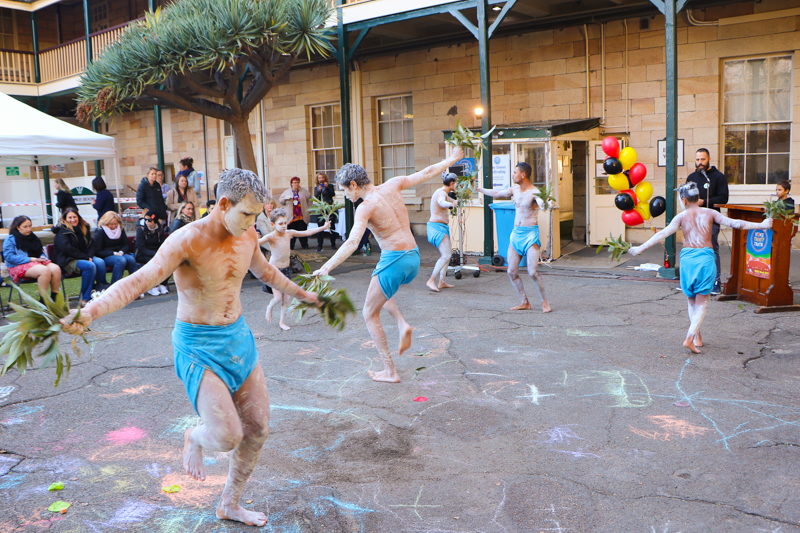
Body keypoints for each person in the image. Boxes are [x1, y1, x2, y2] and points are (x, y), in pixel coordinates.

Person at [61, 168, 319, 528]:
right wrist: (89, 311)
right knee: (228, 435)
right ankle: (194, 436)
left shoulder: (246, 235)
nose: (251, 224)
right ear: (223, 203)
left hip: (238, 340)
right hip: (199, 347)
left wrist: (305, 294)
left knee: (258, 428)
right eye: (246, 214)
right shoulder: (186, 240)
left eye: (256, 216)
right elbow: (138, 281)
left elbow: (266, 273)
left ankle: (229, 503)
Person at [314, 147, 464, 383]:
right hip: (412, 258)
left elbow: (353, 241)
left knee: (368, 312)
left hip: (394, 259)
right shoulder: (393, 184)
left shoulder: (365, 206)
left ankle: (390, 371)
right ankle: (402, 323)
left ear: (353, 184)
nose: (346, 195)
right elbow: (427, 172)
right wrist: (453, 159)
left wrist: (326, 267)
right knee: (379, 288)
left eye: (345, 190)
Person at [629, 183, 772, 354]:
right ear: (697, 198)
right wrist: (761, 225)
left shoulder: (681, 217)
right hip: (705, 259)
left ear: (684, 200)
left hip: (688, 260)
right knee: (702, 302)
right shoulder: (710, 212)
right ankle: (690, 338)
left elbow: (662, 234)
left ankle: (696, 336)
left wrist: (639, 248)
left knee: (691, 300)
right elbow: (735, 224)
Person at [477, 162, 552, 313]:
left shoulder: (535, 192)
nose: (513, 175)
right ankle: (524, 302)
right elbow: (498, 194)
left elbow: (544, 205)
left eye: (515, 172)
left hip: (530, 235)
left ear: (523, 174)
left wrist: (545, 202)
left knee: (532, 272)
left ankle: (544, 302)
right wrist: (479, 189)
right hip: (516, 235)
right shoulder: (515, 190)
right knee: (511, 271)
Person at [260, 208, 329, 331]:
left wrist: (323, 228)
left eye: (285, 223)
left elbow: (306, 233)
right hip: (274, 270)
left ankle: (282, 321)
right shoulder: (271, 236)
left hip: (286, 269)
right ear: (273, 224)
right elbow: (257, 242)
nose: (283, 226)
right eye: (280, 224)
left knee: (286, 298)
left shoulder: (289, 233)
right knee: (278, 298)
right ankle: (269, 307)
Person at [686, 148, 729, 295]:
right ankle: (695, 281)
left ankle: (716, 281)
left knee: (710, 250)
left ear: (709, 159)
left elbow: (723, 198)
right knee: (694, 250)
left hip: (710, 220)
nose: (700, 163)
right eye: (697, 160)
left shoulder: (717, 177)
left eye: (703, 159)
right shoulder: (691, 177)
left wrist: (704, 202)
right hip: (693, 220)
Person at [51, 208, 107, 307]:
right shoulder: (62, 232)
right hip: (67, 259)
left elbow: (91, 245)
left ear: (78, 217)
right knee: (89, 266)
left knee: (100, 262)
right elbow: (67, 249)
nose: (72, 219)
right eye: (70, 217)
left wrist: (89, 256)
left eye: (74, 217)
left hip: (83, 256)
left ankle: (100, 292)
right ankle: (84, 298)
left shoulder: (84, 228)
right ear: (64, 219)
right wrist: (86, 258)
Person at [3, 215, 61, 301]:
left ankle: (54, 298)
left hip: (35, 263)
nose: (29, 229)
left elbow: (39, 252)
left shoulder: (33, 237)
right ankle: (43, 302)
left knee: (56, 268)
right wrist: (30, 259)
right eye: (25, 227)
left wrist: (42, 257)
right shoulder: (10, 239)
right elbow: (9, 257)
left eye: (30, 226)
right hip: (18, 265)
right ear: (18, 227)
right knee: (44, 270)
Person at [426, 173, 458, 292]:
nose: (457, 186)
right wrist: (451, 204)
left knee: (447, 255)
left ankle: (442, 281)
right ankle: (431, 280)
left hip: (441, 227)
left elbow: (454, 201)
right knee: (446, 255)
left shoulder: (444, 193)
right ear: (451, 183)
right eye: (456, 183)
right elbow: (441, 202)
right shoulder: (441, 193)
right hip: (436, 228)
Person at [94, 211, 139, 289]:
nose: (114, 226)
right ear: (106, 223)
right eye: (111, 224)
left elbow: (126, 245)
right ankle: (115, 287)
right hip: (106, 255)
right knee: (121, 261)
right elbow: (98, 251)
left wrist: (121, 251)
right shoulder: (99, 233)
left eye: (115, 223)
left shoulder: (120, 229)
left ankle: (135, 285)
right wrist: (113, 253)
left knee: (131, 259)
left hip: (120, 253)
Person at [135, 213, 169, 296]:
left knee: (168, 260)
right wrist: (156, 255)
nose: (147, 222)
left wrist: (161, 254)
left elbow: (162, 245)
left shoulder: (159, 230)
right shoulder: (141, 230)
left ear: (155, 221)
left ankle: (162, 284)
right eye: (145, 219)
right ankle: (152, 286)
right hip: (142, 255)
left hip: (156, 253)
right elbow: (141, 249)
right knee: (154, 262)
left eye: (149, 220)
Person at [278, 177, 312, 250]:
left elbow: (310, 199)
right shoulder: (287, 192)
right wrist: (285, 199)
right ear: (291, 183)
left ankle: (304, 245)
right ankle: (290, 246)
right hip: (291, 216)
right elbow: (281, 201)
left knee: (302, 231)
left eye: (297, 182)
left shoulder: (304, 191)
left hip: (301, 216)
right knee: (291, 232)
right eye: (294, 182)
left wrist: (309, 209)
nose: (296, 184)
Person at [313, 173, 339, 252]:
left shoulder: (330, 186)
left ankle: (333, 244)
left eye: (322, 177)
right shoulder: (316, 188)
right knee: (320, 227)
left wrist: (327, 187)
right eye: (319, 178)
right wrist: (319, 190)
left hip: (329, 209)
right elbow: (316, 197)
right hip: (321, 209)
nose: (321, 179)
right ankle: (320, 245)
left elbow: (332, 194)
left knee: (332, 227)